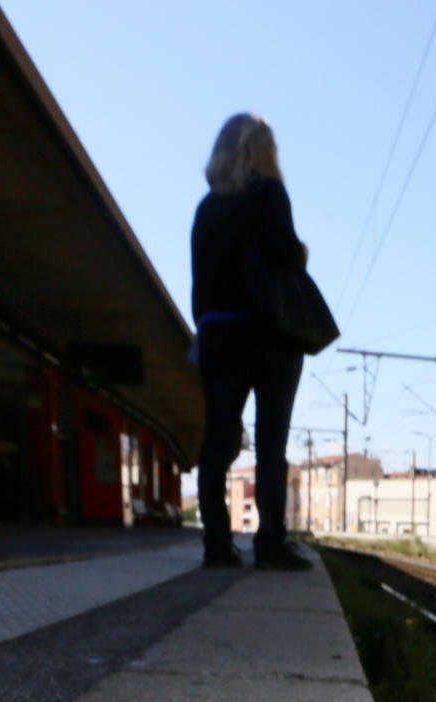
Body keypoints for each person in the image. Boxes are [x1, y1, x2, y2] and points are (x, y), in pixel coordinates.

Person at [191, 113, 311, 571]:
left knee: (218, 441)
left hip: (219, 334)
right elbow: (286, 254)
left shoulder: (207, 207)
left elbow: (199, 286)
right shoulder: (269, 193)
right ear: (264, 151)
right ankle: (270, 545)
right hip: (270, 335)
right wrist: (300, 253)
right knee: (270, 443)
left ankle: (216, 546)